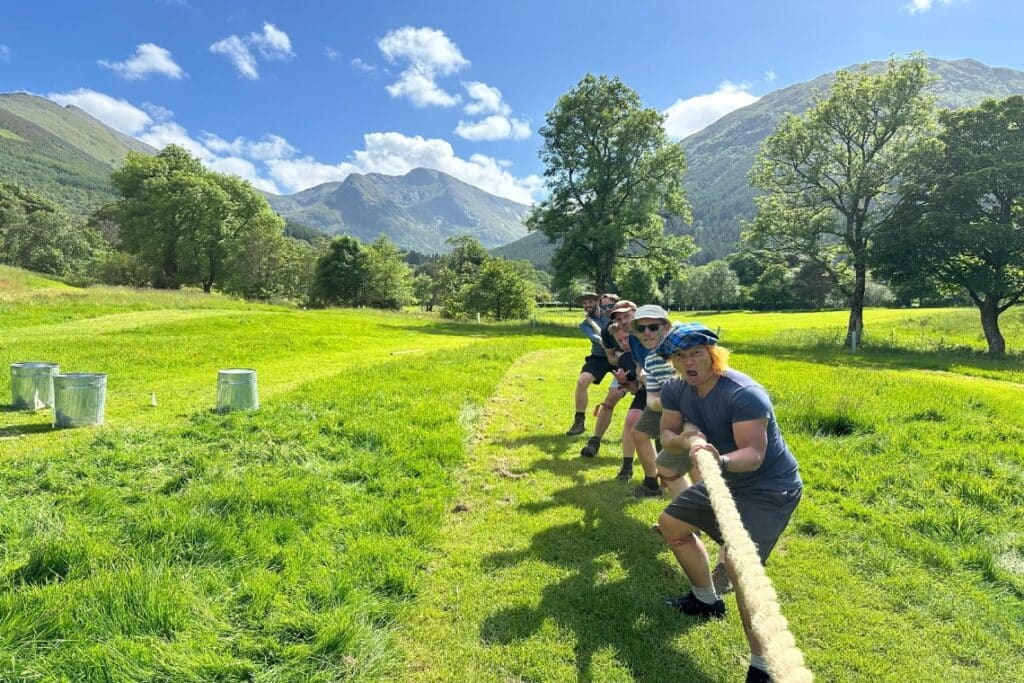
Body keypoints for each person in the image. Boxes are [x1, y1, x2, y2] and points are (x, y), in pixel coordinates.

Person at [653, 323, 803, 683]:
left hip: (767, 488)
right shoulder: (676, 389)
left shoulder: (743, 393)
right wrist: (686, 441)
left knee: (740, 569)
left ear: (712, 353)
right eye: (680, 356)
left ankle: (764, 667)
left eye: (695, 354)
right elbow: (667, 434)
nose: (689, 362)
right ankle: (706, 601)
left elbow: (753, 453)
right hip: (723, 478)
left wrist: (716, 460)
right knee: (671, 525)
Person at [627, 305, 678, 498]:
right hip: (663, 401)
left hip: (686, 406)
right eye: (641, 328)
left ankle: (688, 510)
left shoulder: (680, 350)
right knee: (639, 433)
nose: (647, 332)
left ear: (666, 327)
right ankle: (651, 484)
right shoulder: (651, 358)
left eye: (653, 327)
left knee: (680, 453)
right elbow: (652, 394)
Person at [579, 299, 636, 458]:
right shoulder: (606, 331)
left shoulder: (643, 326)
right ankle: (595, 441)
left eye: (611, 305)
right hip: (625, 366)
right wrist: (624, 359)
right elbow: (611, 358)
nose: (607, 309)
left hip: (648, 369)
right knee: (610, 399)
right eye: (605, 307)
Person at [566, 292, 618, 436]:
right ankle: (579, 422)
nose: (587, 305)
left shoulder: (611, 314)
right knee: (582, 382)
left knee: (635, 388)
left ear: (597, 302)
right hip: (599, 356)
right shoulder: (584, 325)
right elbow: (598, 339)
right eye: (584, 303)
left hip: (619, 356)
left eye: (590, 302)